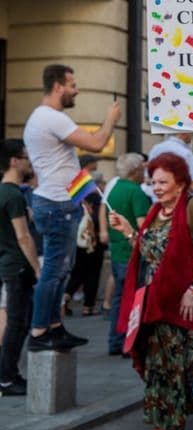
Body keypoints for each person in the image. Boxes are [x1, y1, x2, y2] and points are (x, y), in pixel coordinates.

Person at [110, 153, 193, 430]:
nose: (156, 187)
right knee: (160, 369)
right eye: (153, 182)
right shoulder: (155, 212)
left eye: (163, 182)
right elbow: (150, 252)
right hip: (157, 304)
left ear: (180, 182)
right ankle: (163, 429)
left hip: (189, 303)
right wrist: (128, 231)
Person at [23, 63, 120, 351]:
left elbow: (63, 167)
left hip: (59, 203)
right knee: (55, 270)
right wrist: (111, 118)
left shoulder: (43, 118)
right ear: (57, 87)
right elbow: (97, 143)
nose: (76, 90)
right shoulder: (51, 118)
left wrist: (82, 203)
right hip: (55, 205)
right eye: (72, 84)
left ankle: (53, 326)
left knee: (62, 270)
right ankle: (40, 332)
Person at [99, 152, 150, 355]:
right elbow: (142, 224)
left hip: (117, 250)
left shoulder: (115, 187)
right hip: (132, 252)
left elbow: (104, 212)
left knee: (119, 298)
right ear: (136, 171)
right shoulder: (135, 191)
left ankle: (115, 341)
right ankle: (129, 343)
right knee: (133, 299)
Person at [0, 139, 40, 395]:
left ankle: (9, 374)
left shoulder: (4, 192)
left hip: (8, 264)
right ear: (14, 161)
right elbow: (23, 236)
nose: (29, 162)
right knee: (17, 323)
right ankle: (6, 378)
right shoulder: (13, 195)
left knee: (18, 322)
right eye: (25, 157)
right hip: (17, 266)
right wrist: (37, 267)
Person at [65, 170, 107, 316]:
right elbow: (96, 219)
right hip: (93, 241)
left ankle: (65, 298)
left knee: (78, 272)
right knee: (93, 274)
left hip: (78, 240)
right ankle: (88, 306)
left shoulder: (77, 197)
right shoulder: (95, 198)